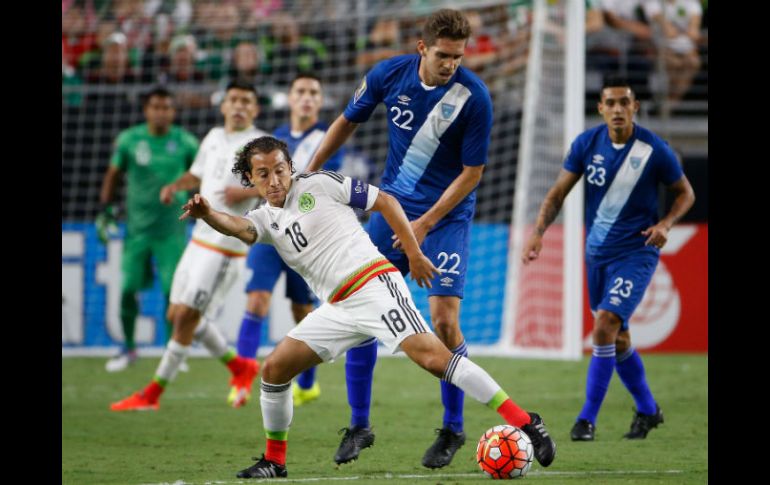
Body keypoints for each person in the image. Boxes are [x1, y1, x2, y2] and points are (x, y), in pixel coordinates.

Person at [179, 135, 556, 478]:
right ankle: (275, 461)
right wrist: (208, 213)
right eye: (263, 174)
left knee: (433, 359)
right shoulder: (264, 219)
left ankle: (526, 422)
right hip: (338, 307)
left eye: (280, 170)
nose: (275, 180)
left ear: (290, 167)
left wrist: (414, 252)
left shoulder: (320, 184)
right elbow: (237, 226)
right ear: (251, 179)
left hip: (374, 285)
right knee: (275, 369)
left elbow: (387, 202)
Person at [306, 8, 491, 468]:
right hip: (389, 213)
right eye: (444, 56)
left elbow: (472, 174)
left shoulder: (475, 97)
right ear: (422, 48)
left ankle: (452, 429)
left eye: (458, 57)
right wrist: (309, 172)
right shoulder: (389, 74)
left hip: (445, 219)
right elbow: (347, 121)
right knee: (360, 312)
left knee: (444, 323)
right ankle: (359, 425)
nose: (451, 65)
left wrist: (426, 223)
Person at [521, 76, 695, 441]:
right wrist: (537, 233)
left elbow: (685, 194)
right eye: (610, 103)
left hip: (637, 252)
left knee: (604, 325)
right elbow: (556, 195)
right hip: (596, 253)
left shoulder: (653, 149)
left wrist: (666, 223)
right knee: (618, 340)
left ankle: (586, 420)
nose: (617, 109)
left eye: (624, 103)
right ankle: (649, 410)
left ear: (635, 108)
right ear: (600, 108)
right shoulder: (587, 144)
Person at [109, 80, 268, 412]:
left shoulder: (259, 145)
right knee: (175, 313)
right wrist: (174, 185)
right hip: (198, 240)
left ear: (255, 109)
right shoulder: (211, 137)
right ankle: (240, 366)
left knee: (185, 319)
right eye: (234, 100)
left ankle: (152, 394)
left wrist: (248, 191)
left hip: (226, 246)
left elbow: (278, 186)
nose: (239, 106)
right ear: (223, 105)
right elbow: (197, 175)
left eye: (246, 101)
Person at [233, 73, 344, 408]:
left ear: (320, 101)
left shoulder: (330, 139)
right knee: (256, 302)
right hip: (271, 233)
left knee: (303, 311)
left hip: (305, 239)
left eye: (313, 92)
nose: (307, 97)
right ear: (290, 98)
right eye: (300, 92)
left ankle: (308, 384)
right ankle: (239, 382)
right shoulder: (272, 140)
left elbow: (313, 185)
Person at [98, 86, 199, 372]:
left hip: (171, 232)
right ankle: (128, 348)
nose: (161, 112)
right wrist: (105, 209)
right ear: (146, 110)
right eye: (155, 106)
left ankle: (172, 352)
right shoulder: (129, 140)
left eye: (166, 107)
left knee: (172, 292)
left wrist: (191, 196)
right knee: (128, 288)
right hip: (137, 232)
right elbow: (113, 174)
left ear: (173, 111)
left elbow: (198, 176)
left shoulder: (186, 142)